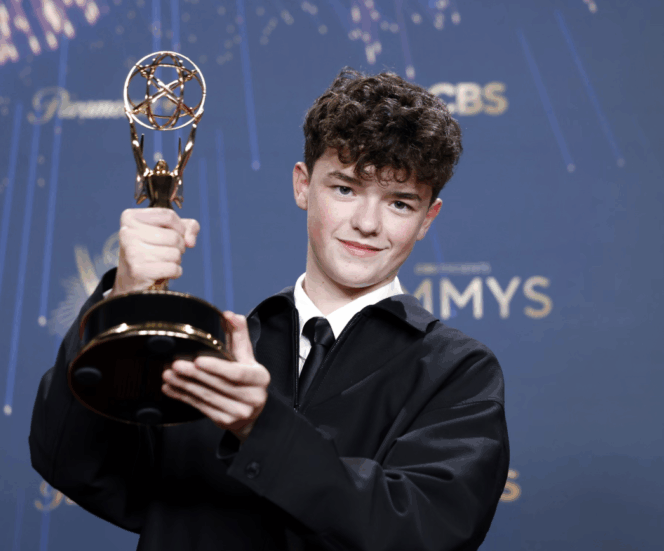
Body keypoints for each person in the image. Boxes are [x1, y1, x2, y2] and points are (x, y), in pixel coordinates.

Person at [29, 68, 509, 551]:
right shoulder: (208, 351)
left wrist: (262, 427)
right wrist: (123, 303)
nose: (367, 223)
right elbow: (71, 461)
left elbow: (425, 532)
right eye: (344, 189)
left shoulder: (458, 372)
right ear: (303, 186)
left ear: (427, 219)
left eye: (400, 203)